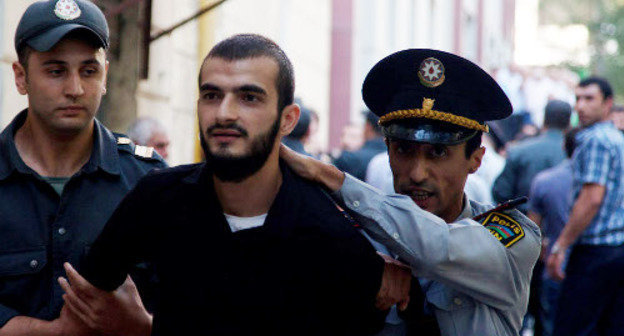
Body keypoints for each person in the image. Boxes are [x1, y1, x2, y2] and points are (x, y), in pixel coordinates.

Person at [60, 34, 412, 336]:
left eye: (249, 97)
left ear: (287, 119)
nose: (225, 113)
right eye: (212, 95)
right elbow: (88, 291)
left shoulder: (330, 234)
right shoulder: (158, 199)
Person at [281, 48, 541, 336]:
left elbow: (438, 246)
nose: (417, 173)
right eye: (403, 149)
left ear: (475, 160)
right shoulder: (354, 239)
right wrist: (363, 266)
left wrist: (334, 179)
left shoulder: (512, 237)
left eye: (438, 152)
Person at [0, 1, 166, 335]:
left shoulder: (149, 181)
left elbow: (196, 304)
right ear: (21, 77)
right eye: (56, 70)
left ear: (105, 76)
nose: (75, 89)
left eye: (89, 71)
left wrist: (142, 327)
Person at [547, 77, 624, 336]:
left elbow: (592, 197)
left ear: (607, 104)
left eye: (589, 98)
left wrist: (562, 245)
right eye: (577, 98)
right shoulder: (614, 137)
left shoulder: (596, 140)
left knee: (573, 327)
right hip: (615, 249)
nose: (580, 106)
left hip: (595, 252)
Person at [527, 128, 579, 336]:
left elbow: (533, 231)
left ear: (564, 147)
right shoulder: (608, 183)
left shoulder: (545, 181)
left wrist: (546, 254)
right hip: (593, 268)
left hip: (554, 267)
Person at [493, 99, 572, 213]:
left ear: (544, 121)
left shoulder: (518, 151)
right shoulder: (575, 153)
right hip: (562, 225)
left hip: (522, 225)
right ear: (569, 124)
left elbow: (501, 193)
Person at [334, 110, 386, 180]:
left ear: (368, 126)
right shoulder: (395, 157)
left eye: (353, 137)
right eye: (342, 135)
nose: (345, 141)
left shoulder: (348, 159)